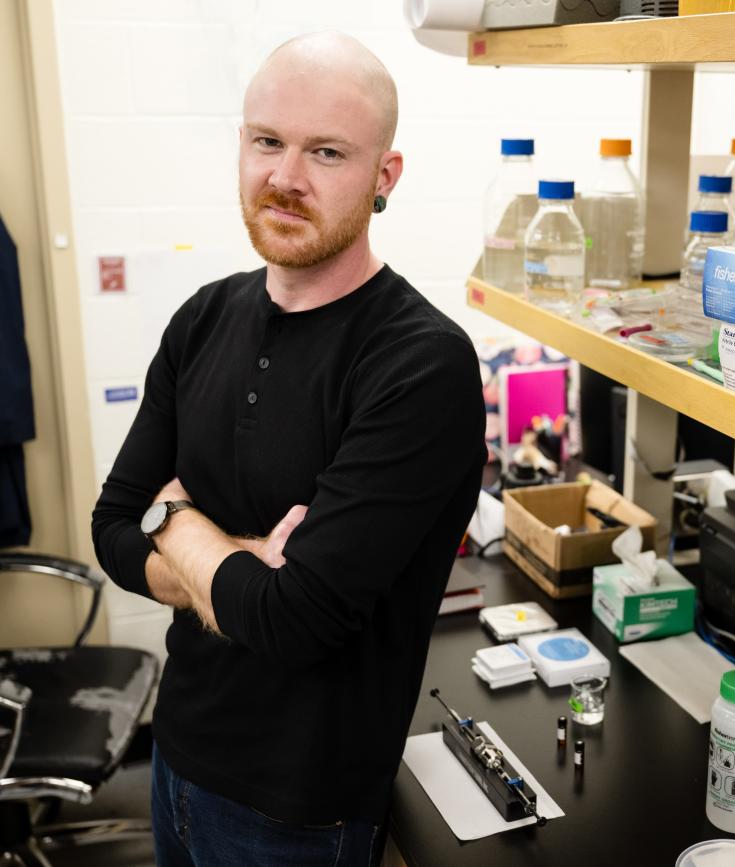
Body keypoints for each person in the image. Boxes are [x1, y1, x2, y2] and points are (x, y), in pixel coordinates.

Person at [91, 32, 484, 867]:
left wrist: (174, 520)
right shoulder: (203, 318)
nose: (286, 177)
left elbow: (293, 621)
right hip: (176, 756)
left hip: (301, 811)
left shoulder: (420, 363)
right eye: (267, 141)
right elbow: (111, 530)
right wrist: (225, 557)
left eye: (327, 152)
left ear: (385, 176)